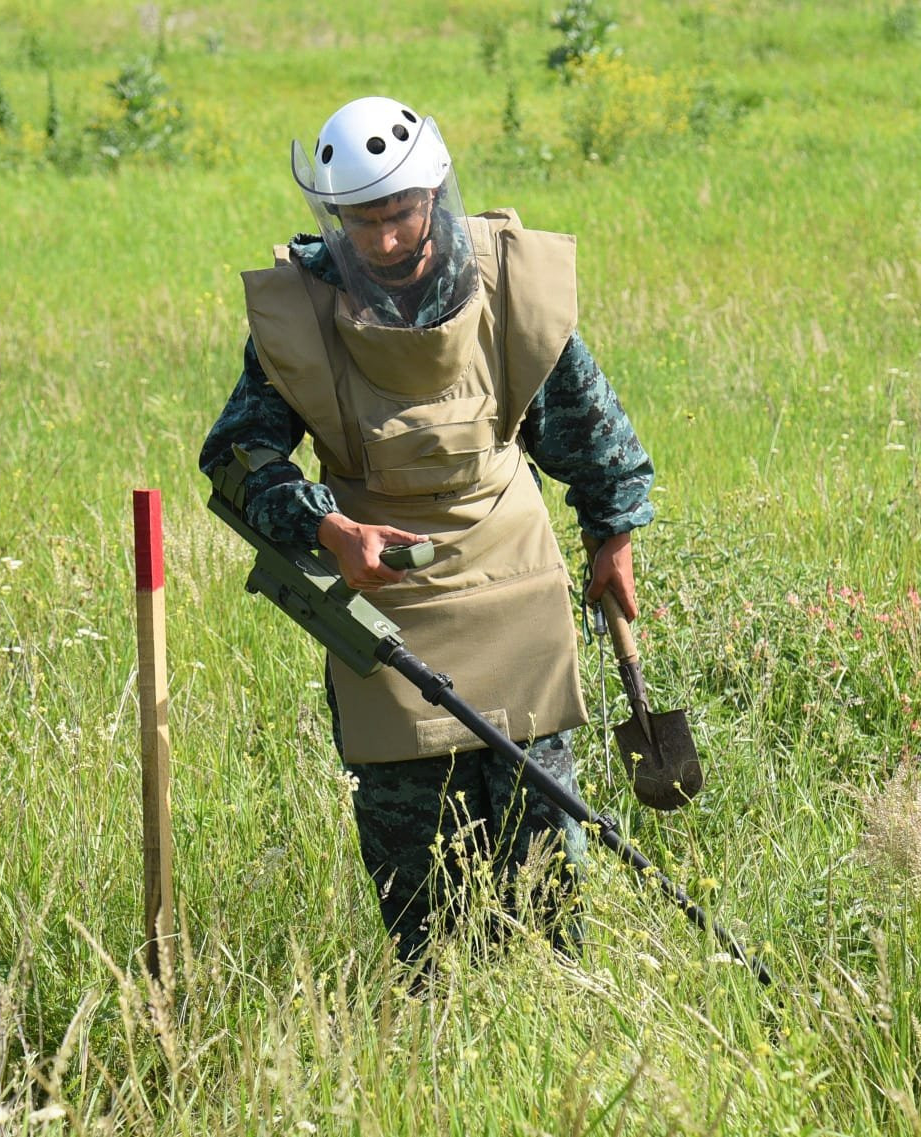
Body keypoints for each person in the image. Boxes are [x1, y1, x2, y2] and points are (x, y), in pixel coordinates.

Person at [200, 95, 654, 964]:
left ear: (435, 193)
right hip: (385, 602)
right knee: (419, 875)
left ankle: (560, 1010)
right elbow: (238, 455)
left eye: (398, 214)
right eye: (358, 222)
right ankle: (437, 1029)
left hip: (514, 580)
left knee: (546, 860)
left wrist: (613, 533)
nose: (380, 241)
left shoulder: (507, 282)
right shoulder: (303, 312)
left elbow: (588, 430)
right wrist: (328, 528)